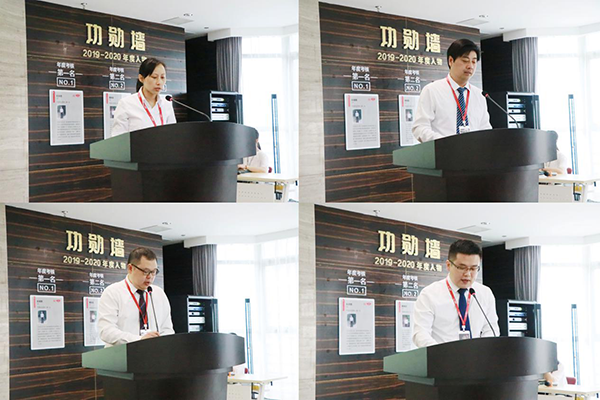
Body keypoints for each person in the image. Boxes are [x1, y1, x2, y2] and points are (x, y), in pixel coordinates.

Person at [412, 239, 500, 348]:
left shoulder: (485, 293)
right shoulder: (429, 294)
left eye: (473, 268)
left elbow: (491, 329)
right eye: (462, 267)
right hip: (442, 356)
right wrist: (440, 353)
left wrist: (482, 351)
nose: (467, 274)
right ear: (449, 265)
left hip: (477, 356)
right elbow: (420, 333)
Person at [412, 39, 492, 143]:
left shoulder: (479, 95)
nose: (470, 66)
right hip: (442, 151)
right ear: (451, 61)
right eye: (465, 60)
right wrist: (446, 142)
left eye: (473, 62)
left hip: (473, 152)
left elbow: (485, 129)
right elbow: (420, 128)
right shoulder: (432, 90)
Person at [98, 247, 174, 347]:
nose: (150, 277)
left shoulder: (158, 294)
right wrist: (139, 340)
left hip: (154, 353)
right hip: (122, 354)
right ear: (130, 268)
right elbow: (106, 331)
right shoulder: (113, 292)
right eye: (145, 271)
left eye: (153, 272)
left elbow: (167, 329)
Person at [111, 58, 177, 137]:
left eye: (162, 77)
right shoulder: (126, 104)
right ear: (141, 78)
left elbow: (173, 135)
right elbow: (118, 138)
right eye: (154, 77)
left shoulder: (166, 105)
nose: (159, 82)